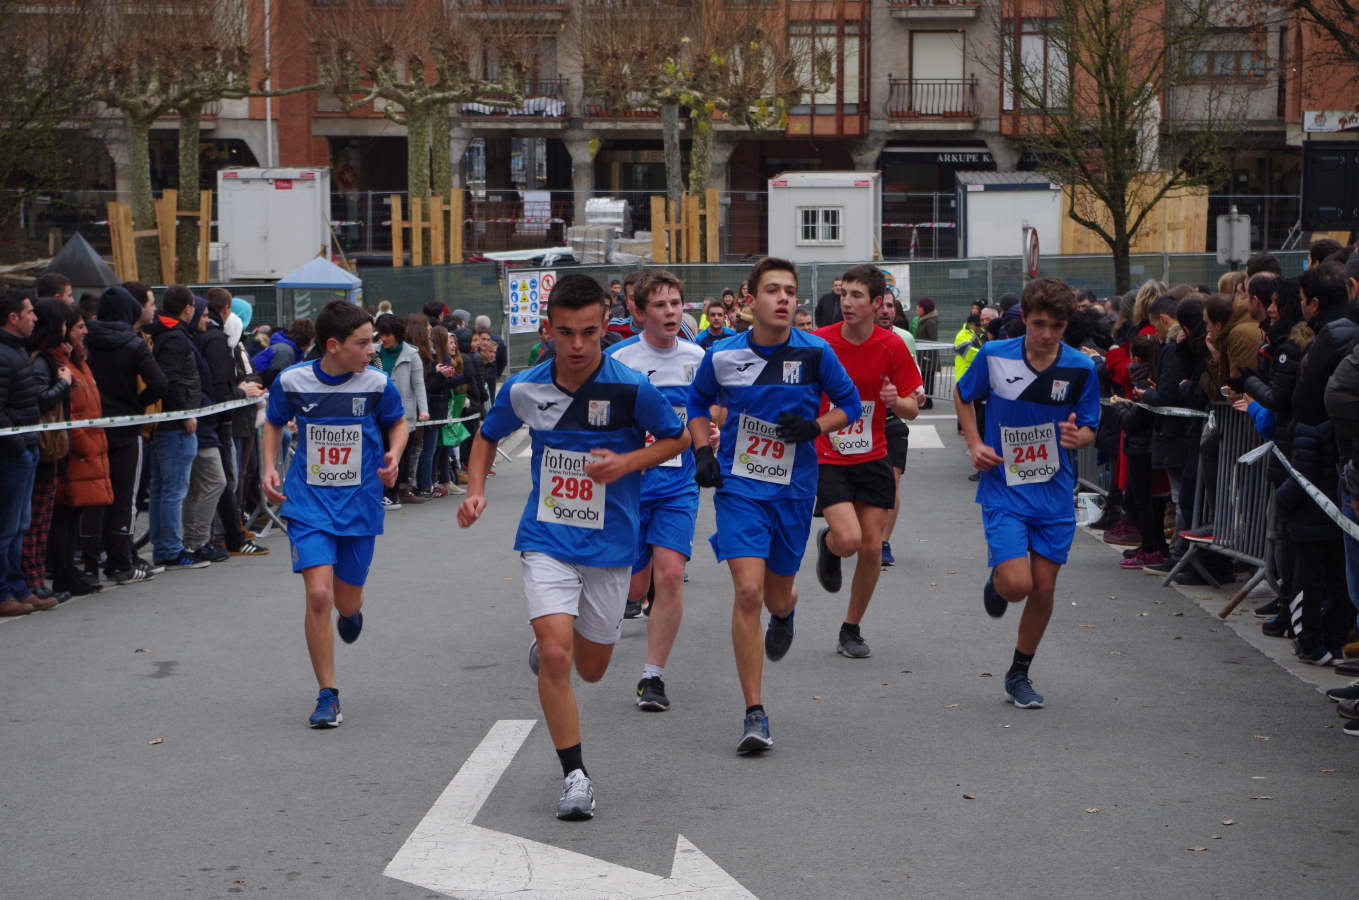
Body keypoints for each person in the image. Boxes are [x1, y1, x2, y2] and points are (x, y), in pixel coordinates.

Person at [457, 272, 688, 820]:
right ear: (548, 330)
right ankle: (576, 775)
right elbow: (487, 434)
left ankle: (556, 643)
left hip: (612, 546)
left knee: (591, 668)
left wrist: (626, 463)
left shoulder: (632, 386)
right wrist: (475, 491)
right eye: (566, 333)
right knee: (558, 656)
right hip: (548, 538)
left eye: (589, 332)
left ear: (605, 327)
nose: (579, 345)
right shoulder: (526, 387)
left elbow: (679, 438)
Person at [687, 257, 860, 754]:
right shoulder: (720, 355)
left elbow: (849, 405)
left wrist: (815, 428)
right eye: (773, 291)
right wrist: (702, 450)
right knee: (747, 591)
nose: (784, 299)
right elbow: (698, 404)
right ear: (750, 300)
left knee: (776, 595)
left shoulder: (816, 351)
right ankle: (754, 712)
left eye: (790, 292)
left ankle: (784, 616)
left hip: (794, 489)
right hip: (741, 488)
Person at [954, 277, 1099, 709]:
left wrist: (1081, 437)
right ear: (1024, 319)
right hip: (1006, 487)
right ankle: (1000, 581)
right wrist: (975, 444)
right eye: (1039, 324)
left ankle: (1019, 673)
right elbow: (964, 397)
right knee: (1017, 585)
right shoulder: (995, 355)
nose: (1047, 334)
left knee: (1044, 589)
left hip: (1053, 492)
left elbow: (1091, 424)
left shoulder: (1081, 367)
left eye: (1057, 326)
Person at [262, 301, 406, 728]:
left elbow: (397, 422)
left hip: (359, 503)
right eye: (363, 343)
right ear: (333, 345)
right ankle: (328, 694)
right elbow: (273, 421)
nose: (372, 349)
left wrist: (394, 455)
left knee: (345, 601)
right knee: (319, 596)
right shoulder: (293, 381)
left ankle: (354, 611)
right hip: (308, 503)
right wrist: (271, 466)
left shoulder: (378, 384)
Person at [605, 269, 706, 711]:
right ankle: (588, 626)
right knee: (630, 585)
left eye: (676, 304)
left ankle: (653, 677)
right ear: (639, 311)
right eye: (660, 305)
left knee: (668, 575)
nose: (670, 312)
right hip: (629, 486)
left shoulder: (698, 357)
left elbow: (708, 412)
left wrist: (709, 434)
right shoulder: (619, 359)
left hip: (677, 485)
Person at [811, 266, 922, 658]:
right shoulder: (820, 343)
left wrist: (896, 402)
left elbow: (913, 409)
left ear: (878, 303)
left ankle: (851, 628)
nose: (847, 302)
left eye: (857, 295)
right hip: (829, 454)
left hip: (873, 453)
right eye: (844, 294)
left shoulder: (891, 346)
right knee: (850, 540)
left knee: (872, 547)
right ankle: (827, 542)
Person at [86, 286, 165, 583]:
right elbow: (159, 382)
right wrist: (137, 404)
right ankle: (121, 562)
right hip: (125, 427)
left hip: (91, 426)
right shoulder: (133, 344)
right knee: (125, 497)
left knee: (93, 495)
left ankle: (92, 563)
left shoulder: (86, 338)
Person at [49, 302, 110, 597]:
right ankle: (61, 574)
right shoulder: (63, 364)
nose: (86, 331)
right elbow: (71, 414)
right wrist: (86, 445)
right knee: (64, 514)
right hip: (77, 450)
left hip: (88, 447)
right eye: (79, 327)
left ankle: (67, 573)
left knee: (74, 514)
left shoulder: (80, 361)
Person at [147, 285, 207, 571]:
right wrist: (184, 412)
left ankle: (163, 546)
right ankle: (170, 548)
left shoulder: (164, 334)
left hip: (165, 423)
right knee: (173, 489)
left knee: (162, 488)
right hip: (176, 424)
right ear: (187, 310)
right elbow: (171, 379)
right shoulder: (175, 338)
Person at [0, 289, 52, 615]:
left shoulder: (16, 351)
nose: (35, 318)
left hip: (25, 448)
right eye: (29, 312)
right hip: (12, 454)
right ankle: (5, 593)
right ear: (13, 317)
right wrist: (18, 445)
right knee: (7, 527)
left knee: (20, 525)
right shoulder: (4, 355)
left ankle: (19, 589)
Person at [876, 294, 927, 567]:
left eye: (890, 306)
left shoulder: (905, 338)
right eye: (881, 305)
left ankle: (883, 541)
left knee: (893, 479)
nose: (886, 311)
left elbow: (914, 375)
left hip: (895, 420)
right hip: (862, 422)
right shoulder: (856, 338)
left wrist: (916, 393)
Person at [374, 314, 429, 507]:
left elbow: (418, 384)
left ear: (397, 334)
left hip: (404, 413)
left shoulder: (411, 354)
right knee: (381, 452)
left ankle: (394, 493)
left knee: (399, 454)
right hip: (378, 412)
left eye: (387, 334)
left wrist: (423, 409)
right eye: (381, 334)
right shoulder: (374, 353)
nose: (383, 339)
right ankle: (384, 492)